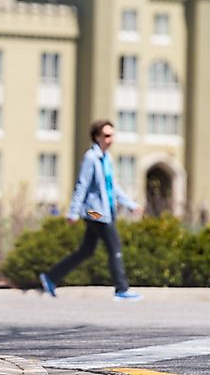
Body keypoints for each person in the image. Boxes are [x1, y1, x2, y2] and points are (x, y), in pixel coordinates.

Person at [39, 119, 143, 301]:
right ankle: (121, 289)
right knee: (114, 247)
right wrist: (73, 212)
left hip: (105, 210)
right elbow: (82, 184)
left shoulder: (107, 158)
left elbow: (113, 186)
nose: (110, 139)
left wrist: (130, 204)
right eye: (106, 136)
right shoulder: (91, 158)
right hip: (94, 211)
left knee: (86, 250)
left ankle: (51, 277)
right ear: (97, 137)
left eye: (112, 135)